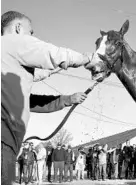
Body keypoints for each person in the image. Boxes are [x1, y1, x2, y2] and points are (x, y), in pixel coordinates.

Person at [1, 10, 94, 185]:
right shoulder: (10, 42)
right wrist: (87, 58)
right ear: (18, 28)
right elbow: (52, 54)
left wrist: (67, 99)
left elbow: (29, 100)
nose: (32, 36)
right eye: (31, 32)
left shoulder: (7, 64)